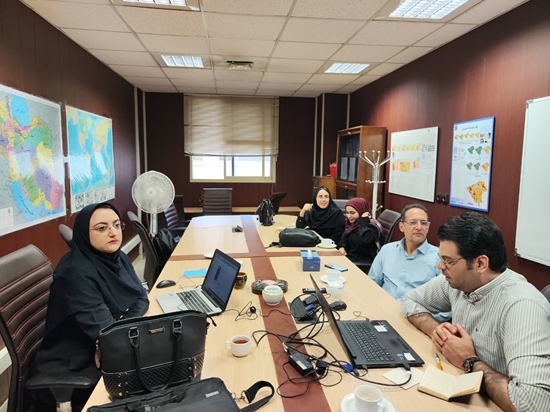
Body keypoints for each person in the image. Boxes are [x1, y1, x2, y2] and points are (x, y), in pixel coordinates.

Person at [401, 213, 550, 412]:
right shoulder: (459, 281)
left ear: (480, 264)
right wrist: (439, 332)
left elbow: (532, 405)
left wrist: (469, 361)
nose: (440, 266)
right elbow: (410, 301)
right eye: (441, 259)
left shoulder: (522, 306)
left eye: (448, 261)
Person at [32, 203, 149, 411]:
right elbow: (109, 335)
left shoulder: (117, 257)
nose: (113, 232)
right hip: (73, 365)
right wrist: (107, 338)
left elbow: (141, 298)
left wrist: (115, 329)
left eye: (116, 225)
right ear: (84, 233)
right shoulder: (74, 274)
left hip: (102, 348)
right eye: (102, 228)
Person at [368, 204, 442, 301]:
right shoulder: (387, 250)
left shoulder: (439, 258)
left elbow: (444, 300)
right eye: (413, 222)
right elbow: (372, 283)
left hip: (416, 309)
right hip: (383, 305)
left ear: (428, 227)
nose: (419, 227)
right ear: (401, 226)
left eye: (424, 223)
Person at [337, 197, 379, 266]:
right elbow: (346, 239)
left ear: (361, 211)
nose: (349, 216)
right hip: (351, 256)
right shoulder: (353, 225)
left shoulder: (372, 227)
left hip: (363, 260)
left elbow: (364, 240)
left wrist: (363, 221)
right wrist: (342, 247)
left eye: (352, 213)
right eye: (347, 213)